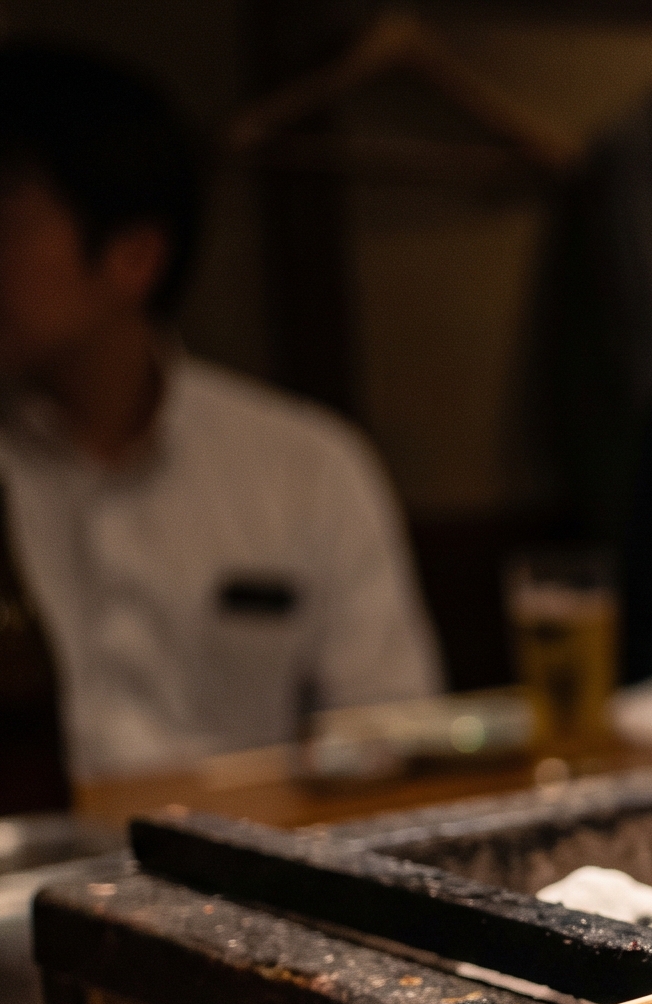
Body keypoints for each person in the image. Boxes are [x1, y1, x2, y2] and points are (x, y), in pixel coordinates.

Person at [0, 41, 439, 793]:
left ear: (133, 256)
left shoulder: (303, 465)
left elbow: (392, 735)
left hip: (249, 872)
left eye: (6, 226)